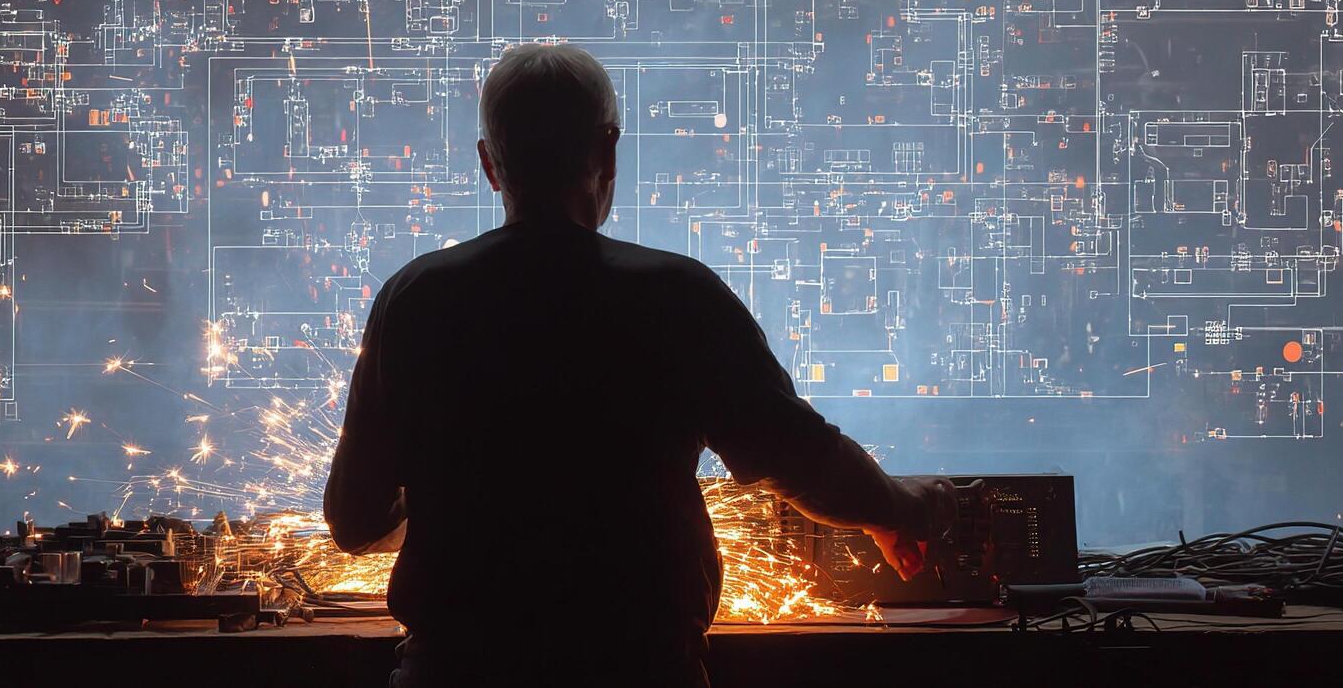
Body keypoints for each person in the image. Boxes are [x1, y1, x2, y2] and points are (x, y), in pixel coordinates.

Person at [324, 43, 958, 687]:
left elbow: (354, 521)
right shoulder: (676, 297)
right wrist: (896, 509)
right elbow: (799, 458)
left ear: (490, 164)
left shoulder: (415, 301)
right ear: (607, 152)